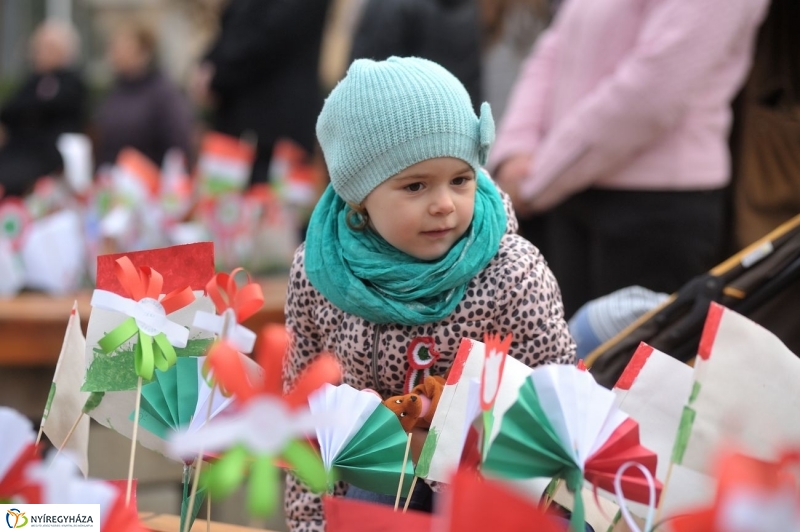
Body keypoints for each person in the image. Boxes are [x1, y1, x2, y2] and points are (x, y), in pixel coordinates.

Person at [282, 56, 576, 532]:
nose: (444, 204)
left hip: (490, 496)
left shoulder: (513, 273)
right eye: (415, 185)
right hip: (375, 495)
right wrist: (312, 523)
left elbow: (556, 405)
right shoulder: (319, 274)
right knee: (374, 470)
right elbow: (307, 409)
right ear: (359, 197)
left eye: (460, 179)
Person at [488, 0, 771, 318]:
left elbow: (654, 89)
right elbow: (556, 45)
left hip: (654, 212)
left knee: (632, 363)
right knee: (559, 360)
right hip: (564, 194)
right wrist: (516, 150)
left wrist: (536, 181)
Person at [191, 0, 331, 185]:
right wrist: (209, 63)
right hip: (242, 125)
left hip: (272, 128)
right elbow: (235, 25)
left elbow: (268, 32)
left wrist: (216, 74)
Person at [0, 20, 87, 197]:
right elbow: (10, 110)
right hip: (16, 149)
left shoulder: (71, 81)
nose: (39, 53)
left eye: (48, 47)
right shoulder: (32, 80)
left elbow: (48, 106)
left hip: (45, 154)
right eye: (38, 47)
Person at [92, 20, 193, 168]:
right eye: (113, 47)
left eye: (123, 48)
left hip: (151, 182)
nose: (115, 54)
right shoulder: (115, 90)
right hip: (113, 180)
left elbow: (178, 143)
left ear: (144, 52)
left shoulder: (163, 93)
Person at [349, 0, 483, 110]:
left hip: (398, 132)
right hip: (455, 130)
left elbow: (364, 82)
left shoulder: (391, 5)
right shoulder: (469, 8)